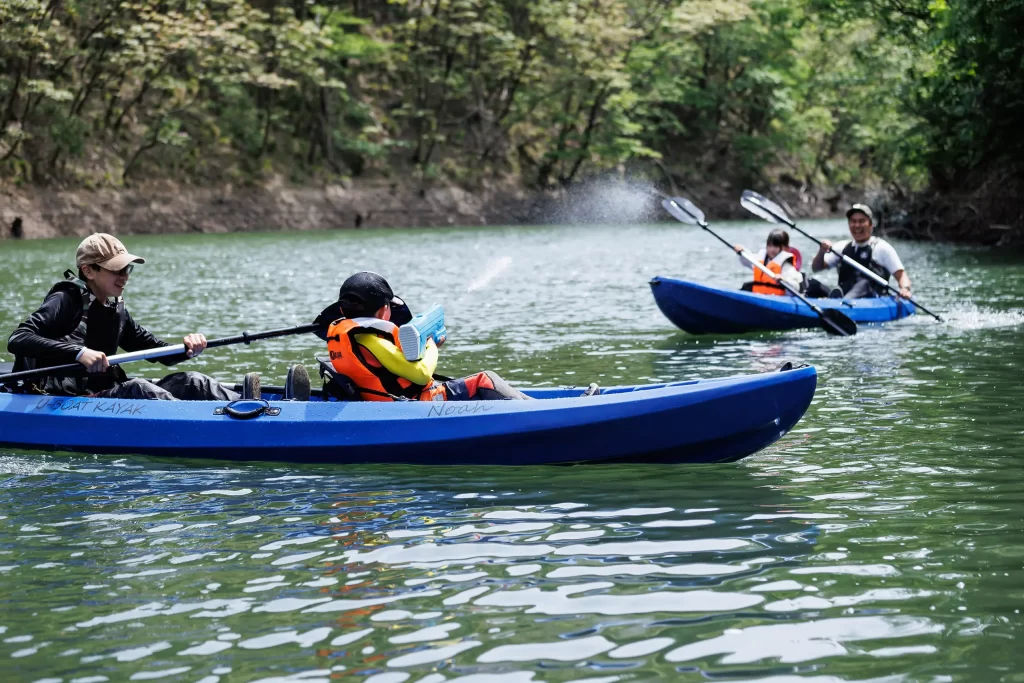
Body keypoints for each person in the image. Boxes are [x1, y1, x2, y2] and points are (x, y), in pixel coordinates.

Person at [5, 233, 285, 400]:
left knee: (192, 381)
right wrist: (78, 352)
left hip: (103, 392)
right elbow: (19, 338)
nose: (124, 276)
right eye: (117, 270)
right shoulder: (65, 300)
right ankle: (213, 424)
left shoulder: (115, 310)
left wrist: (188, 349)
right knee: (140, 388)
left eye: (127, 270)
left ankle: (257, 406)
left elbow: (156, 351)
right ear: (89, 271)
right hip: (63, 398)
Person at [322, 272, 569, 402]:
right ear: (383, 310)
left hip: (391, 401)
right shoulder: (370, 340)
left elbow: (391, 369)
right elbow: (420, 374)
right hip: (414, 404)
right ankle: (541, 412)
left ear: (342, 309)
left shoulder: (345, 334)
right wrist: (431, 345)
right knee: (484, 380)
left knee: (483, 382)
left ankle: (536, 406)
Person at [807, 203, 912, 300]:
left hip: (872, 298)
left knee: (864, 283)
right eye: (853, 221)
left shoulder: (882, 248)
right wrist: (821, 252)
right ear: (849, 225)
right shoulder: (841, 247)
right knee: (811, 284)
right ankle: (835, 302)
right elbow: (816, 268)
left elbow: (902, 276)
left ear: (870, 225)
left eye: (861, 221)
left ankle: (841, 303)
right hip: (845, 295)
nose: (857, 225)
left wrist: (905, 289)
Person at [734, 229, 803, 295]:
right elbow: (746, 260)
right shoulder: (760, 258)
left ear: (782, 248)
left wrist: (784, 280)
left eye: (775, 246)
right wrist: (742, 251)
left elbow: (796, 287)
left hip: (776, 300)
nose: (772, 249)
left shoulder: (786, 266)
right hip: (758, 295)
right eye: (770, 246)